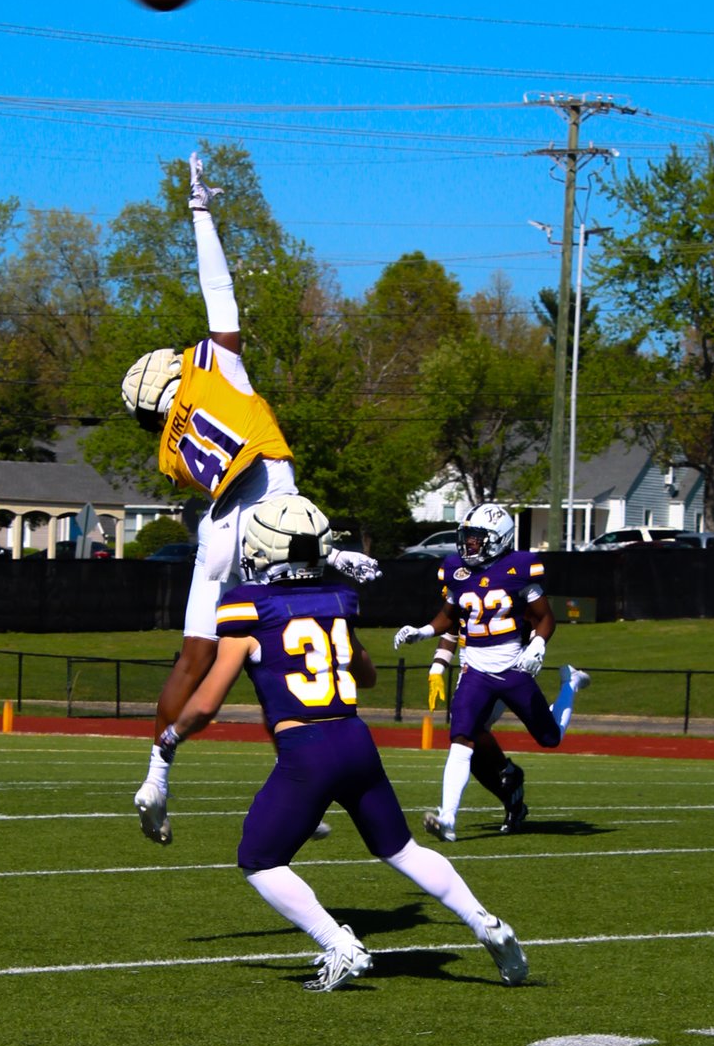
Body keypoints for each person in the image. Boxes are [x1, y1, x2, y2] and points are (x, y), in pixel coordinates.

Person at [156, 493, 528, 992]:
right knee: (403, 850)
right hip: (355, 741)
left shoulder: (248, 607)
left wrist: (169, 739)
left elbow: (205, 704)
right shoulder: (336, 599)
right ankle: (486, 922)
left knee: (259, 860)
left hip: (306, 750)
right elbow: (367, 675)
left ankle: (339, 944)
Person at [122, 153, 379, 845]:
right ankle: (302, 778)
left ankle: (156, 775)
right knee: (282, 639)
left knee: (196, 658)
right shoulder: (212, 365)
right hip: (269, 504)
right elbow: (220, 289)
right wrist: (200, 213)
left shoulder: (167, 451)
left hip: (217, 532)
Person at [394, 502, 591, 843]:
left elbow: (545, 617)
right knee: (461, 737)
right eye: (467, 536)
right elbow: (449, 616)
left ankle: (570, 684)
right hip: (476, 670)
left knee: (550, 738)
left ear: (498, 538)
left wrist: (537, 645)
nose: (468, 543)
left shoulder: (519, 568)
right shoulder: (456, 570)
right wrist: (422, 632)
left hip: (513, 667)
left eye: (476, 537)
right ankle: (448, 817)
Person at [426, 630, 529, 833]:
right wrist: (436, 669)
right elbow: (450, 629)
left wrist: (533, 648)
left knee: (470, 730)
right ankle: (512, 798)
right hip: (471, 675)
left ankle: (507, 771)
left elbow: (537, 621)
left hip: (501, 668)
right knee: (469, 753)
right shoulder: (460, 607)